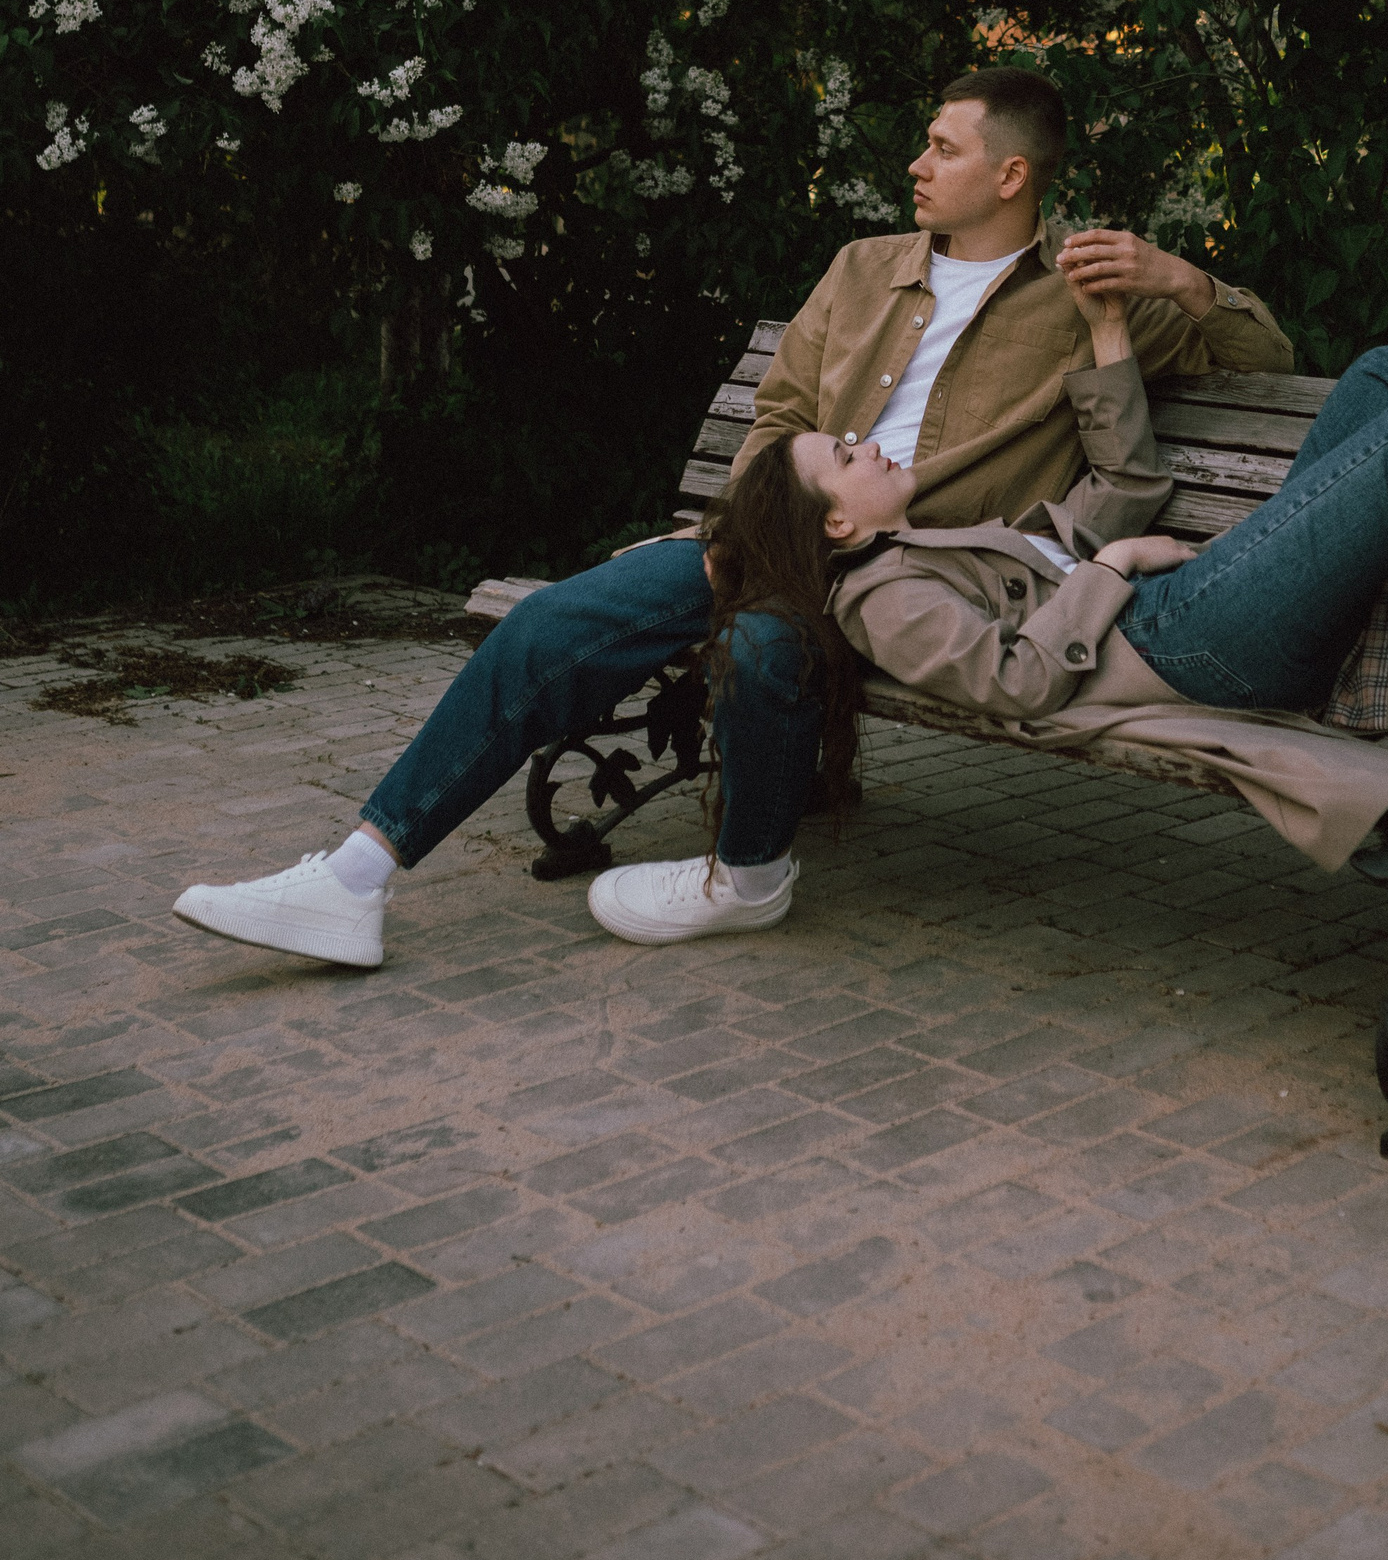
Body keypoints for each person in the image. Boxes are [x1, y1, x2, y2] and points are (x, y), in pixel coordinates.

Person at [172, 65, 1293, 971]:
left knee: (763, 646)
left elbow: (1269, 358)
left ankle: (749, 876)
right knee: (560, 618)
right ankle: (353, 880)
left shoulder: (1088, 293)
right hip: (784, 538)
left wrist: (1177, 280)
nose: (915, 164)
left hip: (915, 577)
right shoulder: (862, 268)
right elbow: (784, 414)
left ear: (1011, 174)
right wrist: (736, 530)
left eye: (941, 148)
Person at [677, 232, 1388, 859]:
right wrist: (1106, 574)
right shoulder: (879, 595)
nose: (869, 443)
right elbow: (1014, 684)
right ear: (838, 524)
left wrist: (1110, 336)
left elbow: (1124, 489)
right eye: (845, 455)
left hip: (1191, 609)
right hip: (1178, 646)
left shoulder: (931, 537)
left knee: (1383, 375)